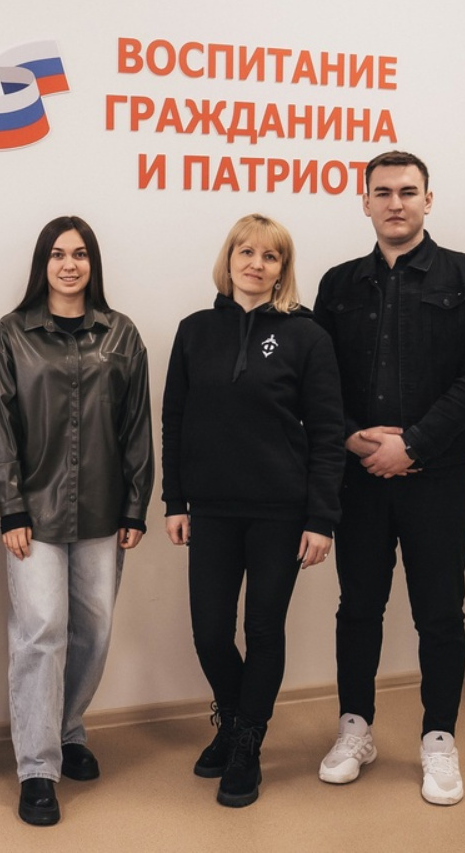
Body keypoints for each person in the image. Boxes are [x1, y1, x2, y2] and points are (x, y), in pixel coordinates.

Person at [312, 151, 465, 806]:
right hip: (359, 477)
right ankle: (354, 730)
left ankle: (439, 740)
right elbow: (318, 381)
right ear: (364, 201)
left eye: (408, 191)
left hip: (438, 477)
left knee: (440, 612)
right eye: (383, 192)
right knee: (358, 608)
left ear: (428, 200)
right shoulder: (338, 284)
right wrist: (349, 436)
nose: (395, 203)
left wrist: (414, 444)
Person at [162, 215, 343, 808]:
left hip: (280, 513)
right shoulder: (194, 331)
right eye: (246, 252)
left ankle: (246, 744)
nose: (255, 264)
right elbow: (174, 419)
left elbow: (327, 432)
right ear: (229, 259)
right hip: (212, 510)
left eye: (270, 256)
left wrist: (321, 518)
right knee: (211, 632)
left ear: (282, 268)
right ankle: (236, 718)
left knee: (263, 629)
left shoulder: (307, 336)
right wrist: (175, 501)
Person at [0, 215, 154, 827]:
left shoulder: (121, 334)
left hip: (104, 511)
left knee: (95, 631)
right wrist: (10, 506)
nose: (69, 264)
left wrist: (136, 504)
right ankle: (37, 768)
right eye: (57, 254)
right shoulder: (13, 333)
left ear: (92, 264)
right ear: (43, 264)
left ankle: (67, 726)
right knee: (41, 631)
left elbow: (137, 425)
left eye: (79, 254)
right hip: (33, 513)